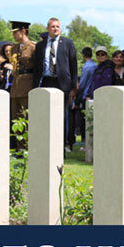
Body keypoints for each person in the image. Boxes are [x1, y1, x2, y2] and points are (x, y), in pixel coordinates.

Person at [33, 17, 78, 152]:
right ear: (47, 28)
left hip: (63, 84)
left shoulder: (68, 43)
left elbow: (73, 66)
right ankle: (47, 145)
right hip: (47, 82)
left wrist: (73, 88)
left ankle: (61, 146)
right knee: (46, 115)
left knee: (62, 116)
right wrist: (35, 87)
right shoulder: (41, 46)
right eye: (52, 26)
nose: (55, 29)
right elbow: (37, 67)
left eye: (57, 26)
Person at [9, 21, 36, 123]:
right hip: (15, 87)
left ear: (23, 31)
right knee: (15, 120)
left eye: (15, 32)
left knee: (26, 119)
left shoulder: (33, 47)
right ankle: (18, 140)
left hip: (27, 86)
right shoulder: (14, 48)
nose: (13, 35)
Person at [74, 47, 97, 143]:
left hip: (86, 94)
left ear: (83, 55)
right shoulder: (95, 65)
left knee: (84, 119)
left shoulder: (86, 67)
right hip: (94, 93)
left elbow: (82, 84)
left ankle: (85, 140)